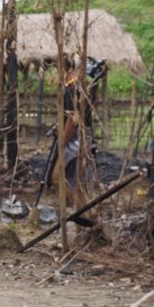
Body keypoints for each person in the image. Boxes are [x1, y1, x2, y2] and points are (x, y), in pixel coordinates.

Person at [59, 65, 98, 210]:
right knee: (81, 180)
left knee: (74, 180)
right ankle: (85, 212)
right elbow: (95, 102)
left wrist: (62, 142)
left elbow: (72, 120)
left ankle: (87, 213)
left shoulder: (71, 90)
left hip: (75, 141)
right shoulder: (85, 89)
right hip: (87, 138)